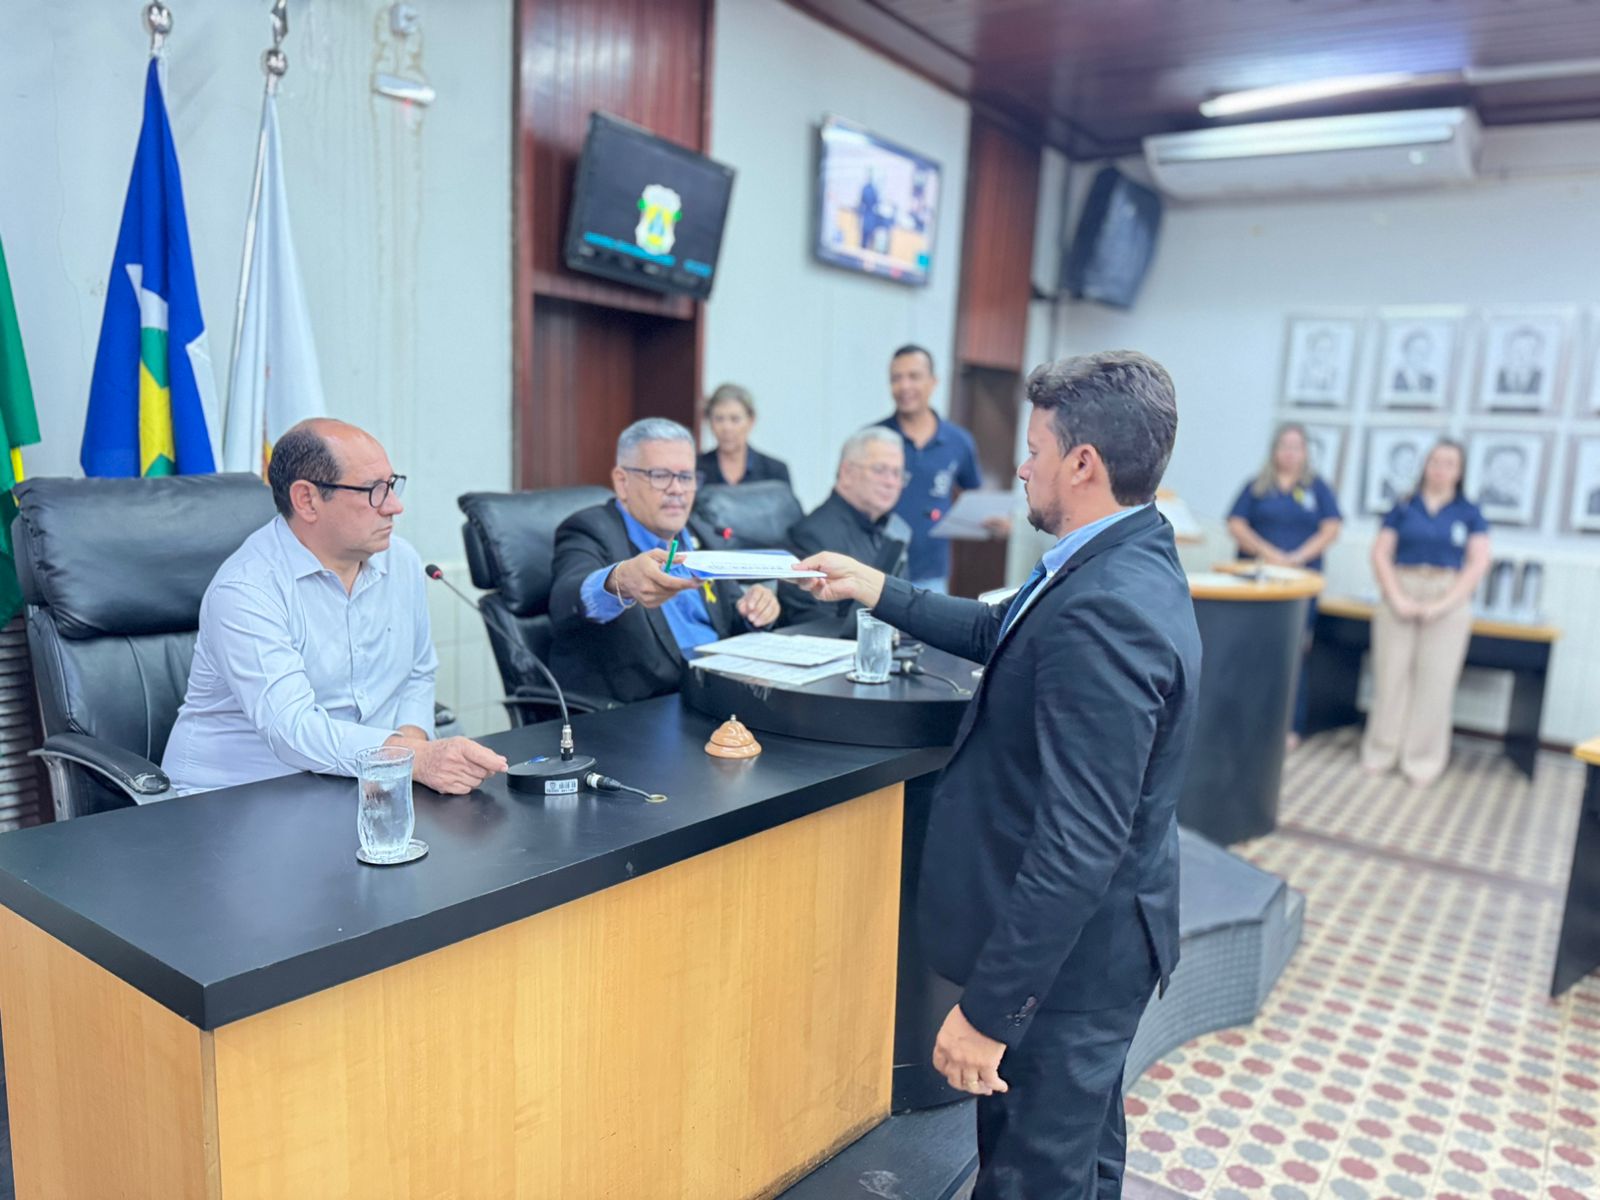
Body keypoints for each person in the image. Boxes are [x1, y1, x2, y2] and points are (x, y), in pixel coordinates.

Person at [798, 350, 1200, 1199]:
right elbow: (1003, 630)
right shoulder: (1124, 552)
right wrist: (876, 588)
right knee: (1080, 1166)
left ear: (1082, 464)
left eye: (1034, 449)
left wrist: (989, 1015)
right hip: (1097, 954)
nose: (1021, 468)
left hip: (1070, 972)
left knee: (1031, 1178)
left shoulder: (1106, 610)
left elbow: (1079, 844)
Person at [163, 419, 509, 795]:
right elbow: (292, 729)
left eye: (392, 485)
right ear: (307, 500)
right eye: (374, 490)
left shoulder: (401, 561)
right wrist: (413, 758)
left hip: (358, 784)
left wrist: (408, 753)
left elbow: (418, 673)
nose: (395, 506)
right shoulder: (246, 590)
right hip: (235, 797)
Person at [548, 418, 783, 705]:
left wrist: (755, 611)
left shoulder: (698, 533)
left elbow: (732, 619)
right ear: (622, 482)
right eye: (660, 475)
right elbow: (568, 599)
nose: (677, 489)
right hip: (646, 709)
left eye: (686, 477)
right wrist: (620, 580)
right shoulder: (590, 529)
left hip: (718, 693)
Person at [1363, 439, 1491, 787]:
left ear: (1459, 471)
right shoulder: (1404, 506)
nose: (1440, 469)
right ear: (1425, 465)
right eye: (1435, 462)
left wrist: (1442, 604)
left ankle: (1422, 760)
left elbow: (1478, 562)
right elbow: (1380, 553)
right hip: (1401, 588)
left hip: (1447, 596)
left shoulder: (1469, 512)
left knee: (1435, 681)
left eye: (1449, 463)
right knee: (1391, 675)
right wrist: (1397, 598)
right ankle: (1381, 751)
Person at [1227, 423, 1343, 749]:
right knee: (1251, 650)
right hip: (1257, 581)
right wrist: (1269, 554)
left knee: (1293, 652)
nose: (1290, 453)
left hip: (1299, 584)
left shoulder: (1317, 489)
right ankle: (1244, 717)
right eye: (1284, 446)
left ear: (1305, 453)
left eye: (1296, 447)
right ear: (1274, 450)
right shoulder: (1256, 487)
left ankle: (1290, 725)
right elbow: (1236, 524)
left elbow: (1331, 528)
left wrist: (1296, 557)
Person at [878, 344, 1009, 592]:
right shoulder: (876, 439)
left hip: (932, 575)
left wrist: (996, 522)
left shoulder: (958, 441)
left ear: (933, 382)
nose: (904, 386)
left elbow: (975, 497)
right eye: (896, 378)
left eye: (914, 376)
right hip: (879, 570)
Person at [785, 427, 911, 634]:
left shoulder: (893, 528)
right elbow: (820, 626)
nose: (891, 482)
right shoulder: (813, 535)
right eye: (880, 470)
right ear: (847, 472)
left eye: (897, 473)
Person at [696, 383, 792, 487]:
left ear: (751, 421)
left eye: (735, 419)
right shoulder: (696, 469)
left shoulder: (774, 472)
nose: (727, 428)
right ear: (709, 422)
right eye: (719, 419)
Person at [1496, 328, 1544, 396]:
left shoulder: (1540, 379)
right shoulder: (1498, 377)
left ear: (1535, 354)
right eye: (1517, 350)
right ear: (1508, 351)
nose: (1521, 356)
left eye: (1527, 351)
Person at [1478, 444, 1527, 510]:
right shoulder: (1479, 499)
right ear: (1487, 469)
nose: (1507, 474)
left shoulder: (1514, 501)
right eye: (1501, 467)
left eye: (1513, 468)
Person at [1391, 329, 1436, 394]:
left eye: (1425, 352)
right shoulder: (1396, 378)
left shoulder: (1429, 380)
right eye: (1417, 351)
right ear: (1406, 351)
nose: (1421, 357)